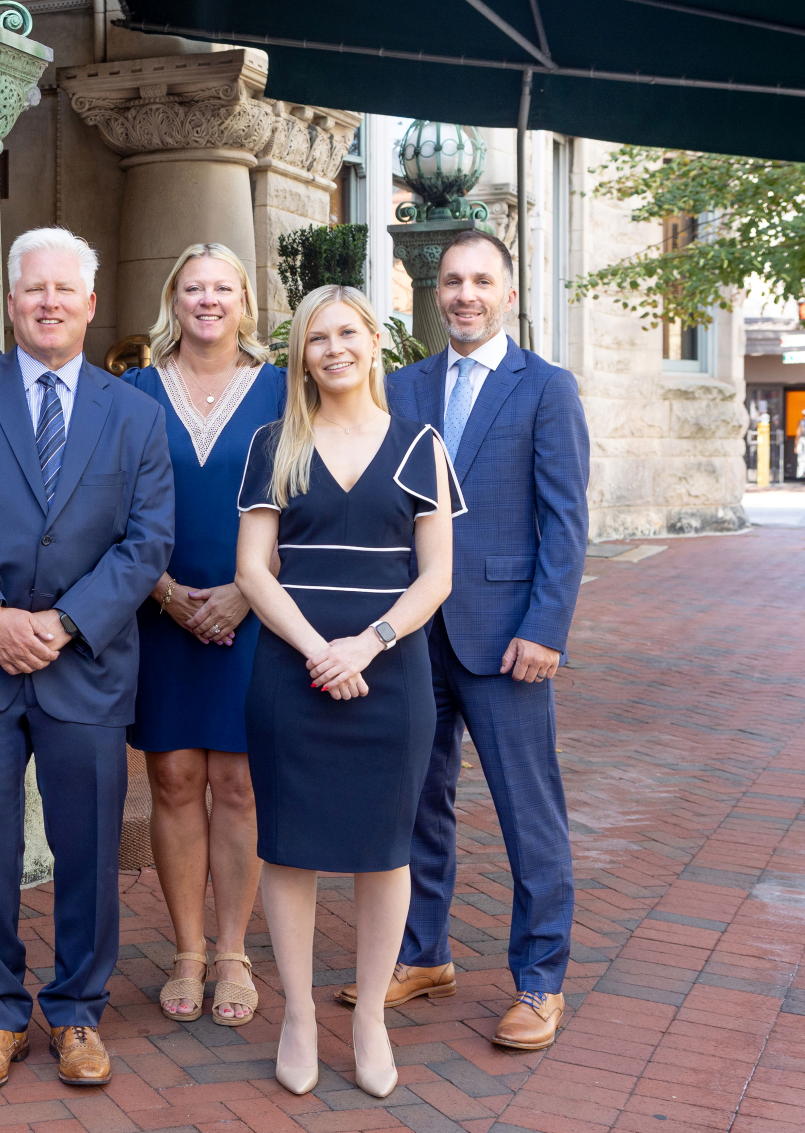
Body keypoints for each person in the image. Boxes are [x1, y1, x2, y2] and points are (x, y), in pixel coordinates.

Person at [0, 227, 174, 1090]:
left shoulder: (135, 411)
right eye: (33, 290)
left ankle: (78, 1009)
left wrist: (61, 623)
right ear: (9, 300)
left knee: (87, 848)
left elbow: (147, 540)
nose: (48, 302)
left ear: (91, 304)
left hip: (83, 665)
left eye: (65, 289)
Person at [362, 229, 589, 1051]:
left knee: (530, 812)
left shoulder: (546, 389)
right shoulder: (402, 385)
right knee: (418, 800)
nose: (463, 294)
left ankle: (539, 980)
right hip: (415, 636)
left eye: (479, 281)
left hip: (505, 639)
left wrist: (546, 628)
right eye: (451, 280)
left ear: (508, 293)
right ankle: (422, 952)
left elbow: (564, 523)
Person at [236, 284, 460, 1100]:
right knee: (289, 845)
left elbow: (436, 574)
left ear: (374, 340)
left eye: (346, 333)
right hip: (291, 670)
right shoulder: (275, 443)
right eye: (315, 338)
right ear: (301, 355)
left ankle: (369, 1020)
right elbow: (251, 571)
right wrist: (316, 650)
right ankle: (298, 1012)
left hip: (391, 672)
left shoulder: (420, 445)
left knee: (384, 850)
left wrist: (367, 643)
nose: (332, 348)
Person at [119, 243, 284, 1026]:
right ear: (173, 299)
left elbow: (307, 505)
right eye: (194, 288)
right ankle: (186, 948)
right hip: (162, 612)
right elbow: (105, 507)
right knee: (174, 780)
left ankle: (232, 951)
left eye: (223, 288)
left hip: (255, 612)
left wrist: (246, 595)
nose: (208, 300)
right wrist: (162, 590)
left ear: (245, 301)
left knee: (240, 785)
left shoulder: (288, 391)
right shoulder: (135, 390)